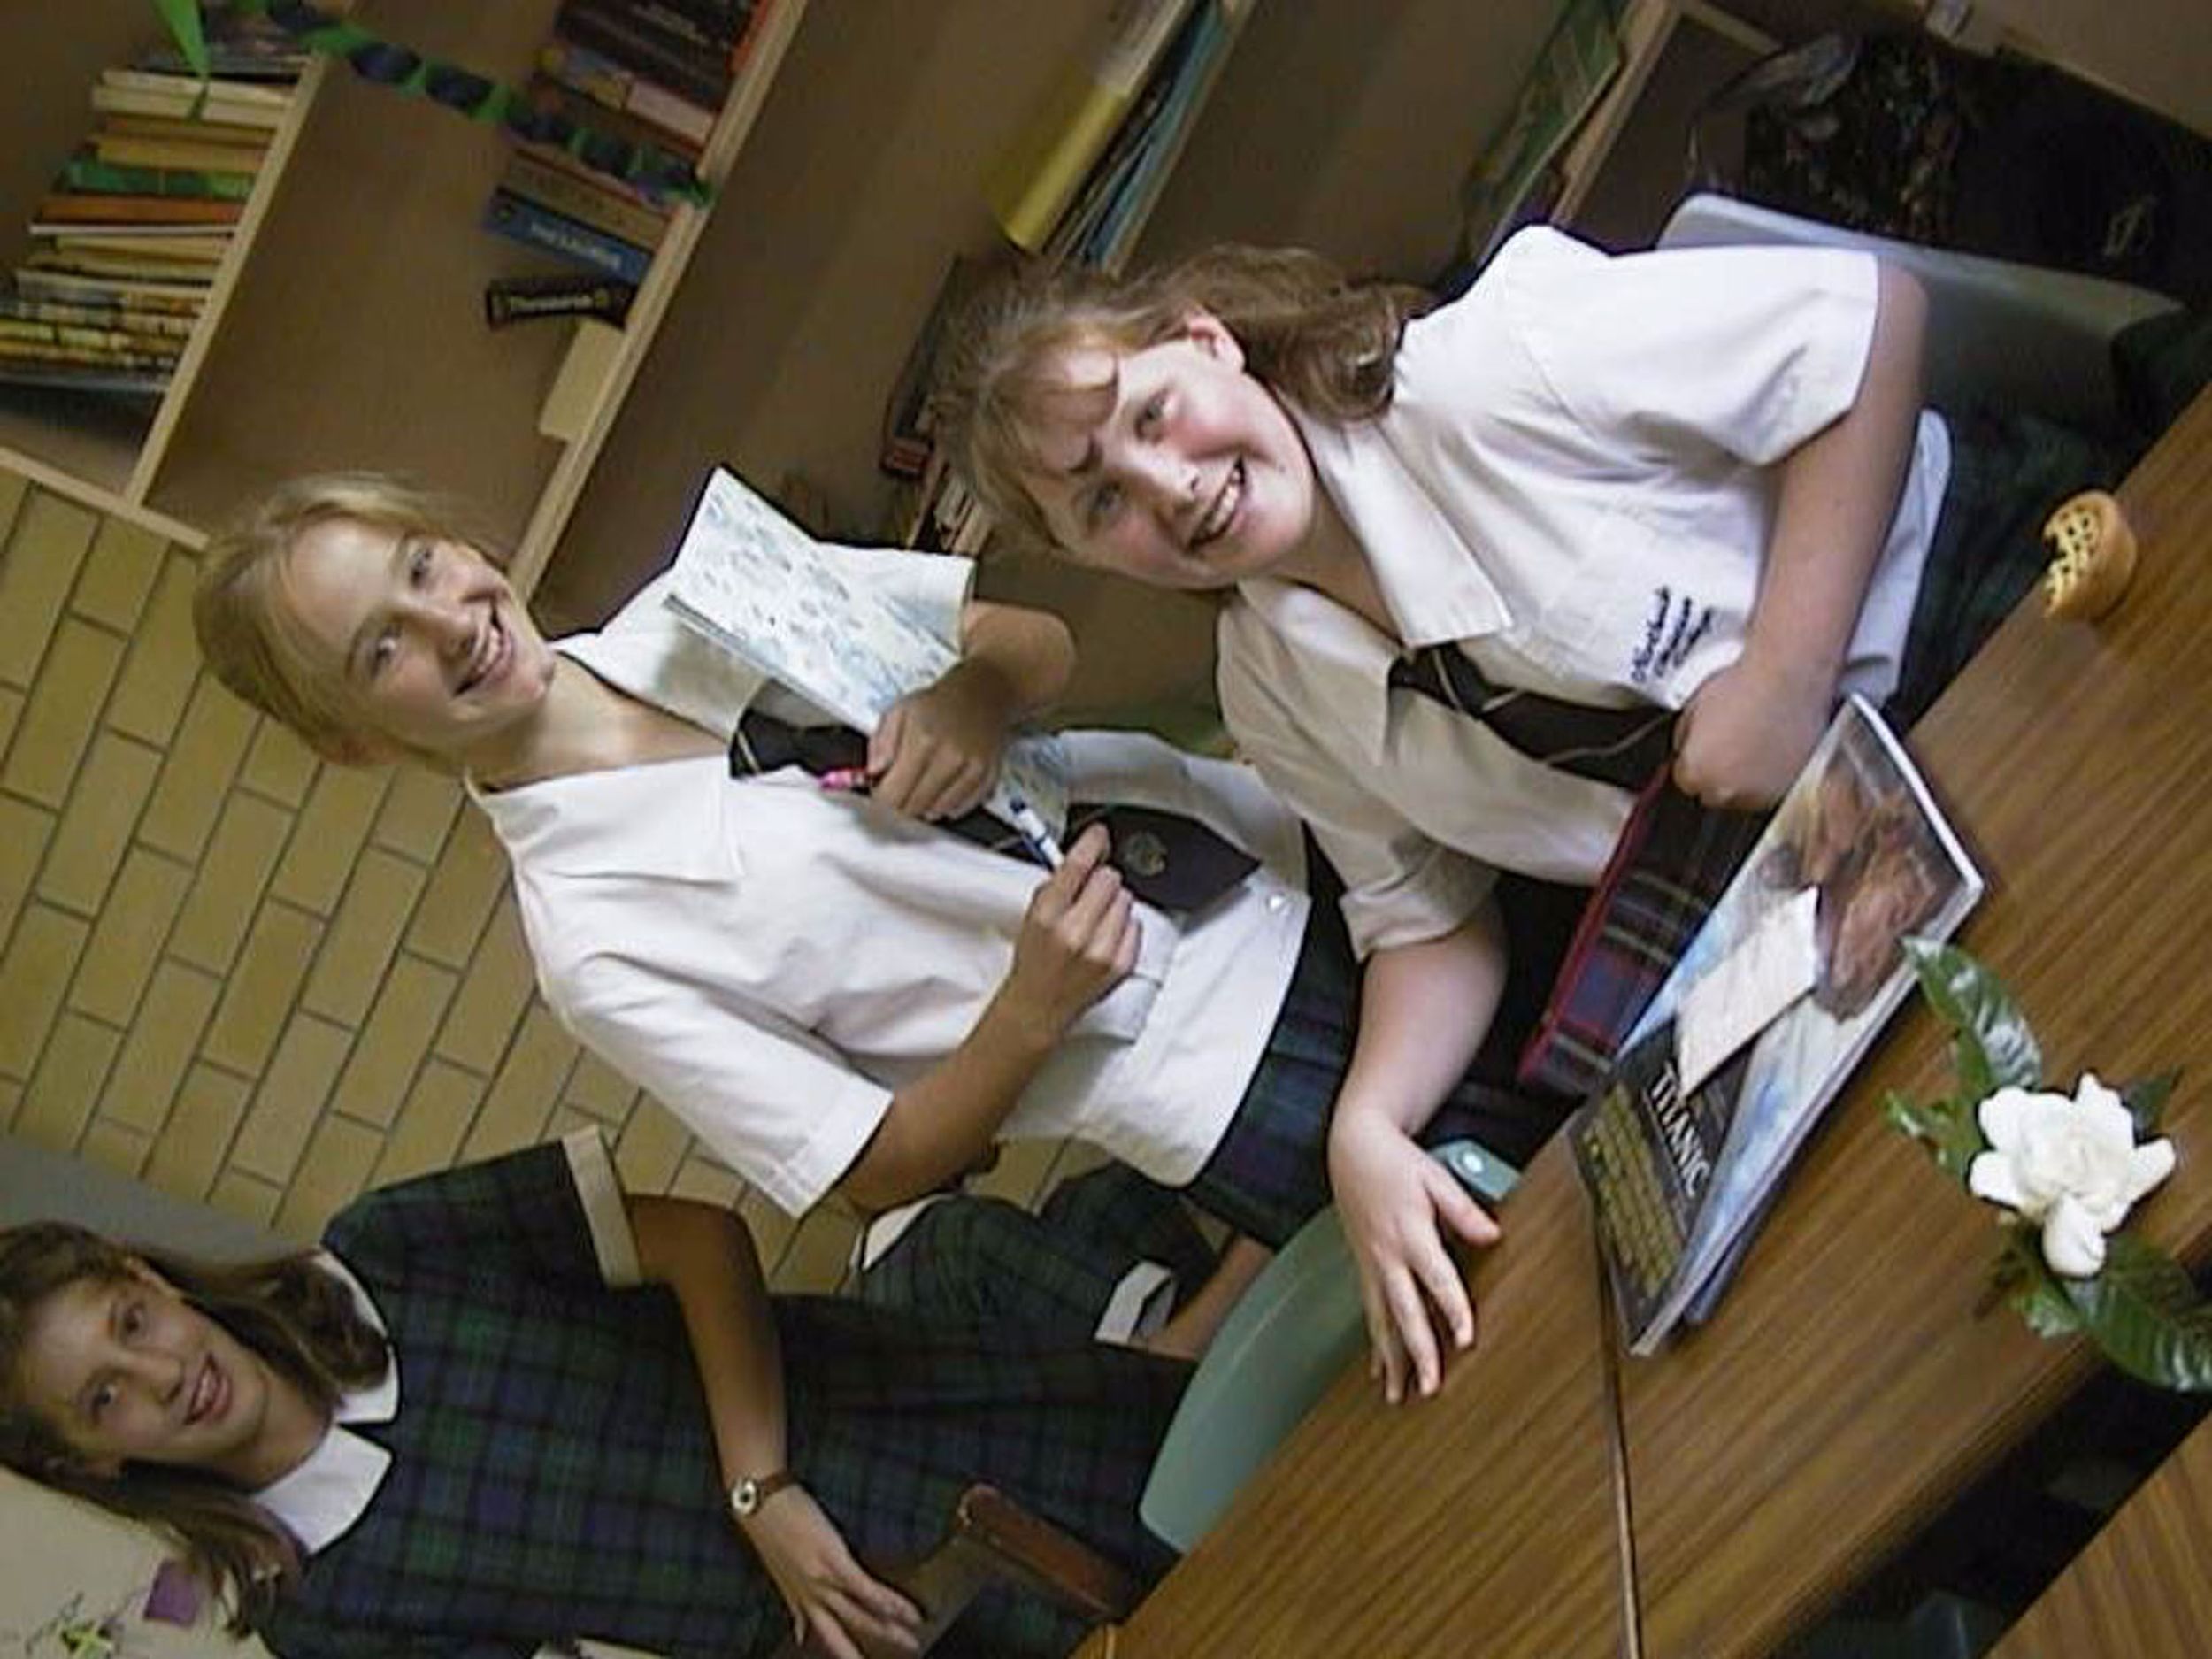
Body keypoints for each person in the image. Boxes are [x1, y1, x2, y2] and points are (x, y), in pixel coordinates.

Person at [932, 227, 2123, 1396]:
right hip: (1817, 868)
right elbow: (1424, 914)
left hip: (1969, 623)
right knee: (1918, 1270)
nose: (1171, 486)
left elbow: (1870, 327)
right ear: (1089, 557)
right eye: (1102, 501)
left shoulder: (1485, 368)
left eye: (1151, 415)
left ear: (1206, 342)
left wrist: (1785, 671)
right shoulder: (1266, 686)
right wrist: (1367, 1127)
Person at [192, 473, 1553, 1405]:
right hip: (1228, 1070)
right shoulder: (595, 947)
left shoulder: (704, 593)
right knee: (1557, 1273)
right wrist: (1029, 1009)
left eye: (421, 566)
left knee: (1625, 1008)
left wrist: (972, 694)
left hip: (1294, 836)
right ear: (355, 741)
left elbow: (1035, 642)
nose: (451, 623)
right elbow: (870, 1168)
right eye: (381, 651)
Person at [0, 1130, 1193, 1659]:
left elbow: (699, 1240)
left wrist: (759, 1488)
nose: (164, 1376)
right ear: (90, 1462)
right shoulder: (316, 1612)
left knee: (1226, 1476)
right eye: (105, 1400)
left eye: (132, 1324)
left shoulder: (387, 1252)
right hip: (871, 1627)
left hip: (903, 1405)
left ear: (147, 1276)